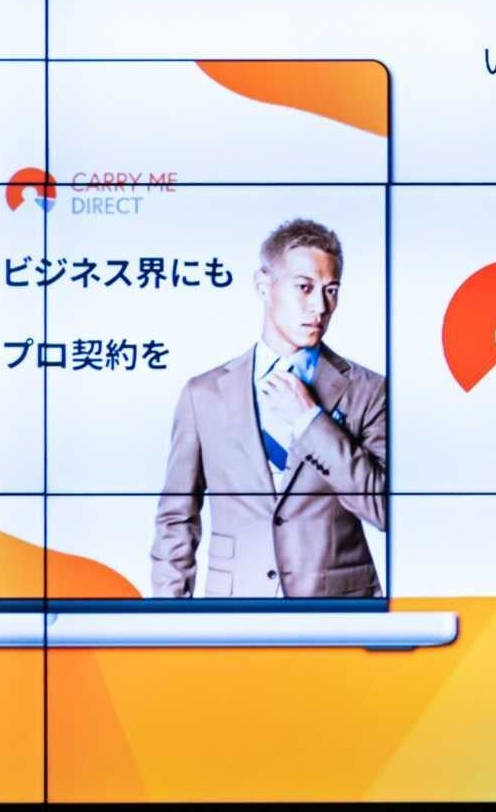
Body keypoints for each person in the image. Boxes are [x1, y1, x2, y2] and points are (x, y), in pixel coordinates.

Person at [151, 218, 388, 598]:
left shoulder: (369, 390)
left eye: (331, 291)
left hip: (338, 607)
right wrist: (170, 614)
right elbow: (177, 517)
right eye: (304, 287)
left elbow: (383, 508)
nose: (320, 307)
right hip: (236, 605)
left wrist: (311, 421)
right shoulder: (203, 394)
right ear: (264, 285)